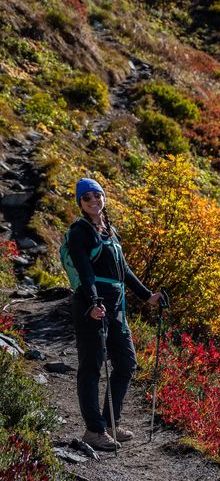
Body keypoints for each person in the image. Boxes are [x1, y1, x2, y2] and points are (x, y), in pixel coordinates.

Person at [68, 178, 162, 451]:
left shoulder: (110, 231)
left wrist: (147, 296)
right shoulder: (80, 232)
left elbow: (125, 271)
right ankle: (94, 431)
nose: (93, 201)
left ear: (103, 197)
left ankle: (111, 422)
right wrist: (94, 303)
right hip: (91, 308)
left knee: (126, 363)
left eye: (97, 195)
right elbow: (85, 272)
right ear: (81, 203)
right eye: (87, 198)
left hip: (116, 308)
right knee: (91, 367)